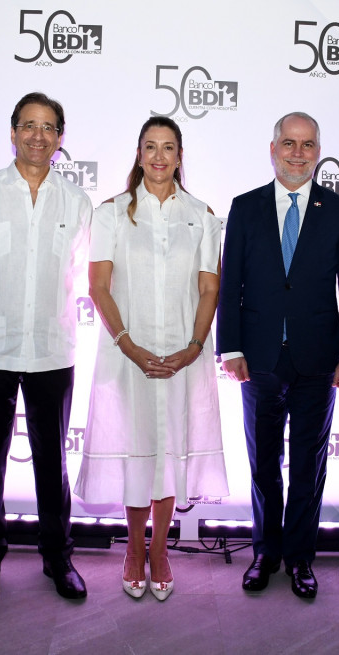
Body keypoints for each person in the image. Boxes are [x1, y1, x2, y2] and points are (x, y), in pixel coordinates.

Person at [74, 116, 229, 601]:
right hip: (127, 354)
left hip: (185, 356)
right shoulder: (112, 213)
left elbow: (210, 287)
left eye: (168, 148)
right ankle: (133, 549)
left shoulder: (203, 215)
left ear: (180, 156)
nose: (159, 156)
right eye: (150, 147)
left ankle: (159, 549)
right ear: (138, 155)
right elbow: (98, 286)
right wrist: (128, 344)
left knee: (168, 454)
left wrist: (194, 348)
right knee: (139, 451)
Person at [216, 112, 339, 599]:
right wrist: (232, 347)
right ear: (273, 147)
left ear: (317, 151)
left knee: (308, 465)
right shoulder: (244, 207)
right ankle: (265, 552)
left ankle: (300, 557)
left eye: (307, 145)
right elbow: (230, 284)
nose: (297, 153)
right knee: (262, 464)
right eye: (288, 143)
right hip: (257, 359)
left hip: (318, 361)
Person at [0, 92, 92, 606]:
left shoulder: (75, 201)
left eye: (48, 127)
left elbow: (77, 271)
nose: (38, 135)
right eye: (28, 125)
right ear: (12, 132)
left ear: (60, 138)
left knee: (52, 463)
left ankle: (58, 557)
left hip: (53, 349)